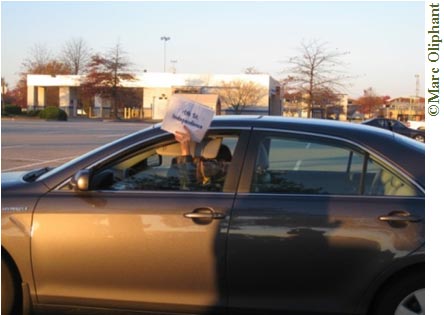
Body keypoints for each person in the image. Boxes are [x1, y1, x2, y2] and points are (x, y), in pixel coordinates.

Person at [173, 126, 231, 191]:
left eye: (223, 163)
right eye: (212, 161)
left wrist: (185, 149)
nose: (222, 166)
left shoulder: (220, 186)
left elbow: (189, 192)